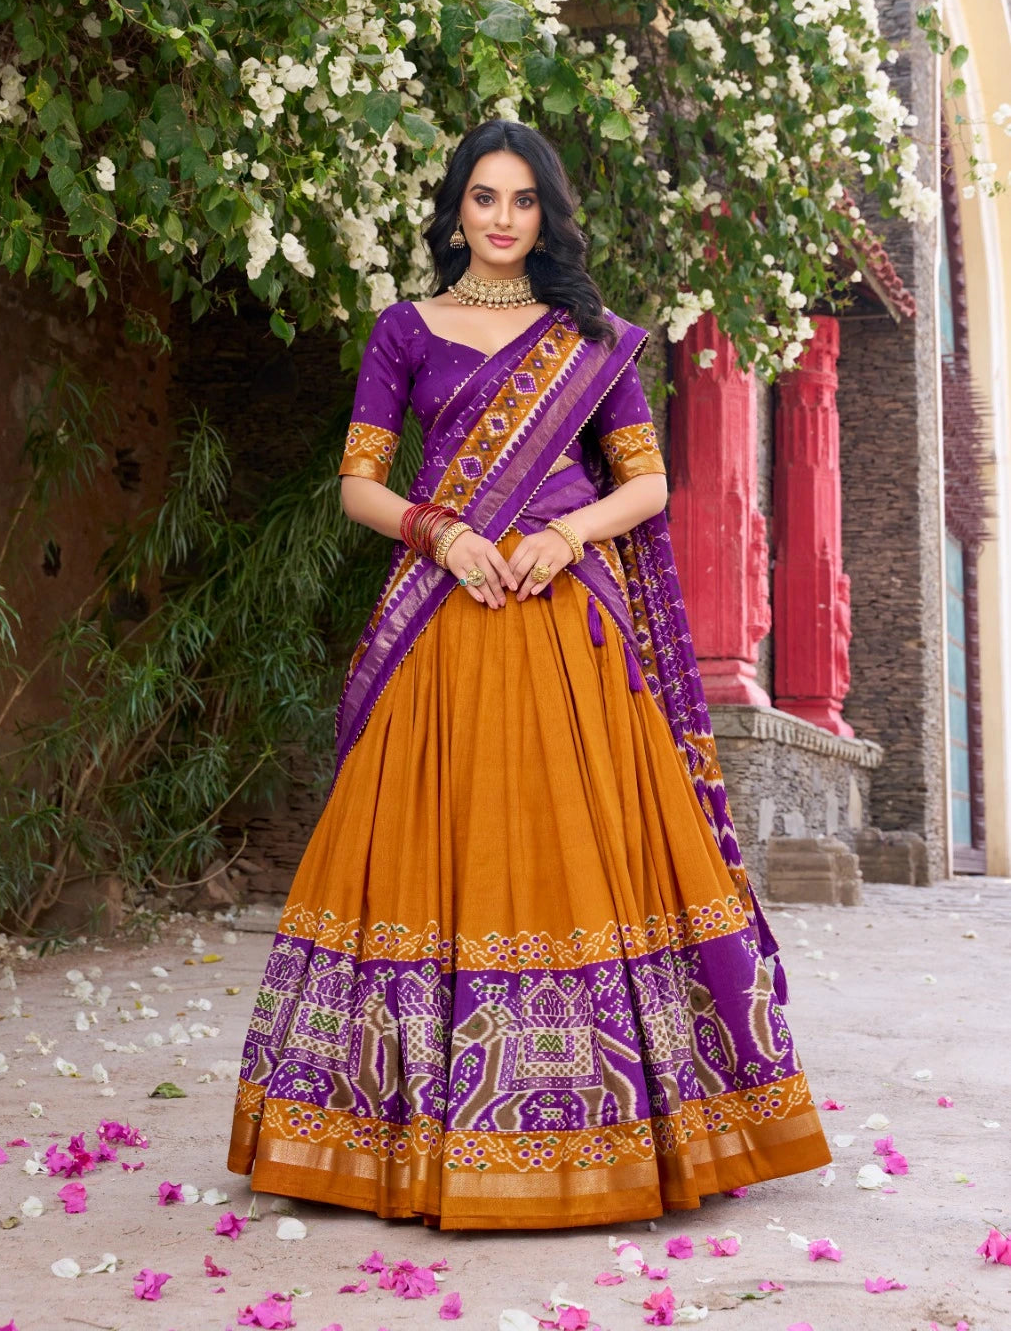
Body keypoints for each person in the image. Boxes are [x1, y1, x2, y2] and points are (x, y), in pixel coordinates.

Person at [227, 119, 832, 1231]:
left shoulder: (588, 339)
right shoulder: (404, 331)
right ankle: (385, 1132)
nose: (501, 219)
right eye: (482, 198)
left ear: (544, 215)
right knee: (424, 847)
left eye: (521, 201)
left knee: (576, 845)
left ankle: (612, 1125)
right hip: (446, 622)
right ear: (454, 208)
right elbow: (357, 482)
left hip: (567, 623)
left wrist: (566, 536)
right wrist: (440, 533)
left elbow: (645, 485)